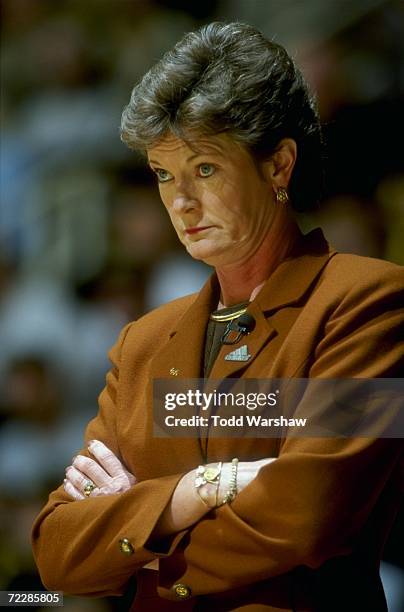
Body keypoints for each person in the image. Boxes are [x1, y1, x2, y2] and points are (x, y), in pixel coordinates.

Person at [32, 22, 404, 612]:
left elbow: (310, 516)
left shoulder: (370, 302)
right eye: (163, 173)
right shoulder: (141, 344)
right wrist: (197, 489)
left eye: (204, 168)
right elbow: (56, 554)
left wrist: (141, 543)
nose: (180, 201)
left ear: (279, 166)